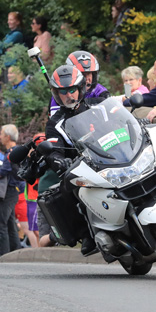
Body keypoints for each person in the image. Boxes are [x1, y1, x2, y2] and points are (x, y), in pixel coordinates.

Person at [43, 64, 98, 254]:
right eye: (63, 92)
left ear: (80, 89)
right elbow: (53, 147)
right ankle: (87, 234)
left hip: (108, 157)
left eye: (72, 90)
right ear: (57, 94)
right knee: (67, 186)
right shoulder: (55, 123)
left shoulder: (97, 107)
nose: (68, 95)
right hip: (82, 166)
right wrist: (57, 159)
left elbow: (120, 121)